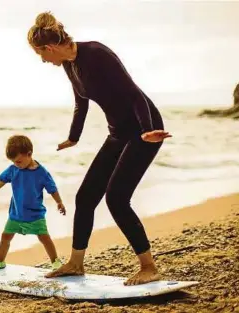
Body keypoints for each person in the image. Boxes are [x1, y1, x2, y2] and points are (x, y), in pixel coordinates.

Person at [27, 12, 172, 286]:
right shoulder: (70, 65)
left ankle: (149, 267)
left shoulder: (97, 53)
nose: (44, 61)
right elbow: (81, 103)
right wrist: (73, 137)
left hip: (145, 130)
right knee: (85, 198)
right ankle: (76, 263)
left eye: (41, 55)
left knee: (116, 198)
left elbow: (134, 94)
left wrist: (146, 130)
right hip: (118, 133)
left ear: (49, 48)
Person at [0, 135, 66, 272]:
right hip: (16, 214)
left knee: (44, 237)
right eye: (14, 162)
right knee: (5, 237)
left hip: (35, 215)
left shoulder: (42, 173)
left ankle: (55, 261)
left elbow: (52, 189)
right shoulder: (13, 169)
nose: (16, 164)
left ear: (29, 154)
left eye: (19, 161)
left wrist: (59, 202)